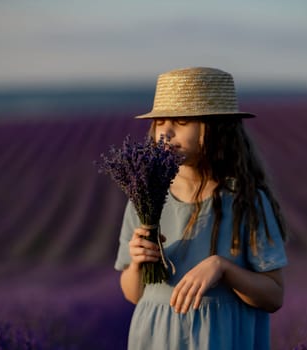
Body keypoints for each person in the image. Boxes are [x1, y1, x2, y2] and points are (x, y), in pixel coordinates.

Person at [114, 67, 288, 350]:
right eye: (160, 122)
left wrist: (223, 268)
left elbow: (273, 297)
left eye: (181, 121)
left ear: (216, 128)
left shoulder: (246, 200)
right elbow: (134, 295)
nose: (165, 133)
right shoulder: (144, 197)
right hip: (154, 338)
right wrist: (137, 264)